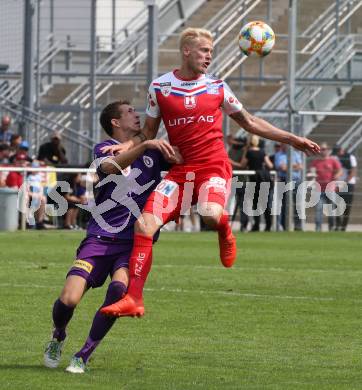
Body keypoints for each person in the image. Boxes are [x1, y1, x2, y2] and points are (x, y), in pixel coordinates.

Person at [100, 27, 320, 318]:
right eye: (204, 51)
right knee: (144, 225)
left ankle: (225, 231)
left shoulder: (217, 87)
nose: (208, 56)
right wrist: (126, 144)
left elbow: (250, 122)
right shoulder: (160, 88)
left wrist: (292, 139)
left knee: (209, 214)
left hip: (214, 166)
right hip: (181, 173)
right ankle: (134, 299)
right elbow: (149, 133)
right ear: (187, 51)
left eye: (211, 52)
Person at [43, 100, 180, 373]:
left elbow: (183, 157)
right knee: (69, 299)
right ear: (115, 123)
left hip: (134, 242)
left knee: (118, 291)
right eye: (130, 112)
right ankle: (58, 334)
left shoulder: (154, 151)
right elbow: (111, 167)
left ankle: (84, 354)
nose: (137, 115)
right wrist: (145, 145)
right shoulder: (103, 149)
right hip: (100, 237)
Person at [235, 135, 273, 231]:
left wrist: (231, 161)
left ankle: (256, 225)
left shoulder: (249, 152)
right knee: (265, 203)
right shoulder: (262, 152)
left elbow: (242, 165)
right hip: (263, 179)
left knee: (255, 203)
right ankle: (268, 225)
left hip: (254, 179)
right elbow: (270, 165)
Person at [310, 142, 343, 232]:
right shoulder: (315, 162)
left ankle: (331, 228)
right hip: (319, 189)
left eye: (324, 149)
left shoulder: (333, 161)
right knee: (318, 209)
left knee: (331, 210)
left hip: (330, 189)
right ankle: (318, 229)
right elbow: (312, 173)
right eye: (321, 149)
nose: (322, 151)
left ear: (328, 150)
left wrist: (337, 175)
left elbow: (340, 170)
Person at [274, 143, 303, 231]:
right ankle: (284, 225)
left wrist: (288, 167)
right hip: (284, 180)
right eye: (282, 145)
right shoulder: (278, 155)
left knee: (297, 204)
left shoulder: (296, 154)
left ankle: (298, 226)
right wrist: (294, 166)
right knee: (284, 205)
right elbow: (281, 168)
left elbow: (301, 166)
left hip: (296, 181)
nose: (283, 146)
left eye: (284, 145)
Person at [333, 146, 357, 231]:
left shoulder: (350, 157)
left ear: (342, 150)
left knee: (347, 207)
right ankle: (337, 225)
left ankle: (343, 227)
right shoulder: (335, 157)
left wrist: (344, 183)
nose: (338, 154)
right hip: (338, 184)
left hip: (348, 183)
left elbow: (353, 172)